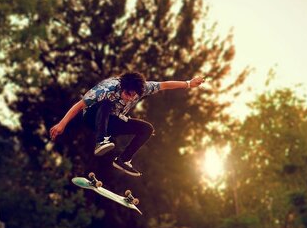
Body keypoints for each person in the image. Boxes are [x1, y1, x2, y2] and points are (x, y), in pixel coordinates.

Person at [49, 71, 204, 177]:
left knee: (146, 129)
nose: (130, 98)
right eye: (127, 94)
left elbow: (164, 85)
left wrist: (189, 83)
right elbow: (79, 105)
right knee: (107, 103)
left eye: (133, 96)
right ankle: (100, 141)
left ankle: (123, 159)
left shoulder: (142, 89)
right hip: (92, 117)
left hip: (113, 121)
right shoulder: (106, 88)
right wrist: (62, 124)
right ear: (122, 88)